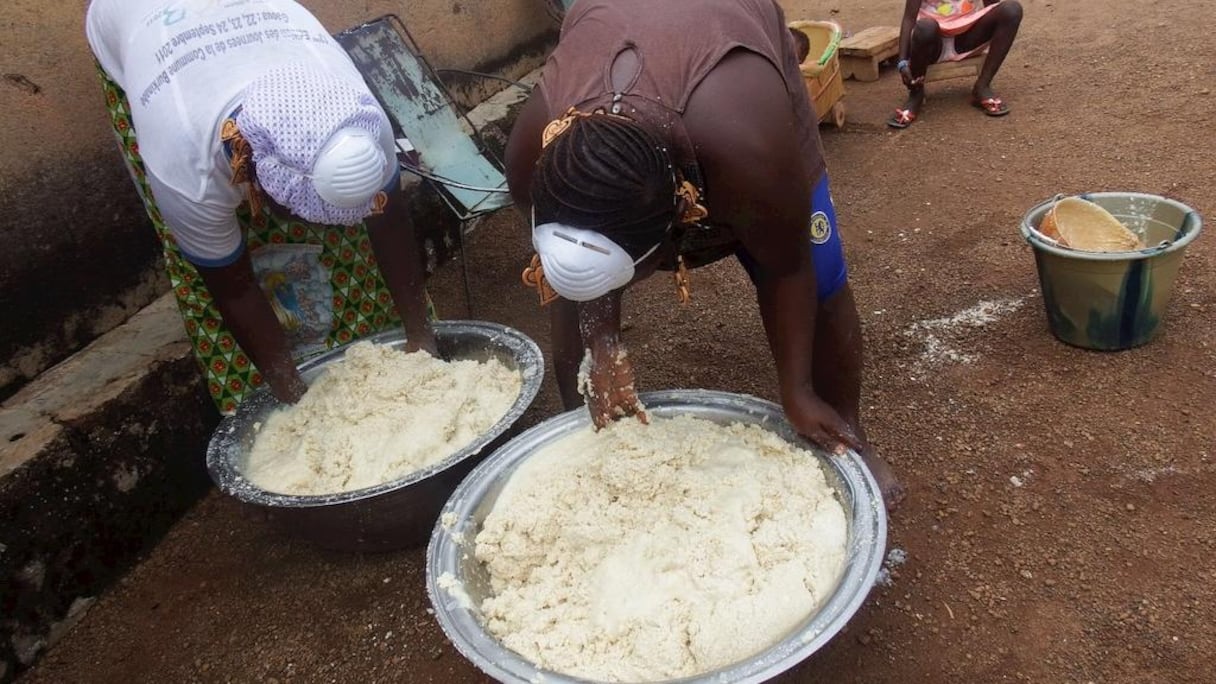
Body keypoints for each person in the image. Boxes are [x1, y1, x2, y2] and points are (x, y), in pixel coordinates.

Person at [505, 0, 903, 506]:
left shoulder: (749, 150)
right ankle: (589, 435)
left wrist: (797, 391)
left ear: (677, 232)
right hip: (617, 25)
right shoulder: (528, 159)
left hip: (726, 29)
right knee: (577, 307)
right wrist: (599, 348)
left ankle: (848, 431)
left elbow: (789, 268)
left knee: (822, 276)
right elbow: (570, 277)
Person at [86, 0, 436, 414]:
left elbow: (389, 222)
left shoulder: (359, 116)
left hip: (256, 38)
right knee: (223, 258)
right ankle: (277, 387)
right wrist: (297, 405)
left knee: (347, 248)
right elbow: (232, 288)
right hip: (143, 35)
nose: (330, 231)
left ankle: (372, 336)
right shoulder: (185, 168)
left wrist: (423, 342)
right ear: (265, 183)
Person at [889, 0, 1024, 128]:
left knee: (1011, 10)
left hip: (966, 39)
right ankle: (916, 94)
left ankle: (982, 86)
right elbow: (909, 19)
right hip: (933, 42)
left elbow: (994, 8)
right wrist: (902, 62)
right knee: (925, 27)